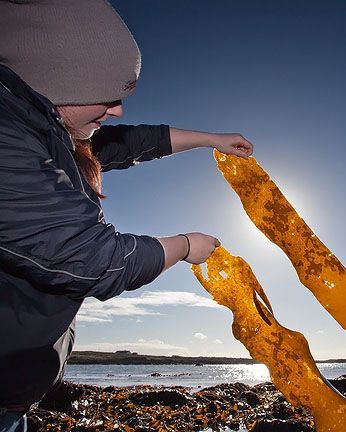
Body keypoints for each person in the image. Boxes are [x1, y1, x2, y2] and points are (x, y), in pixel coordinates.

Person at [0, 1, 252, 430]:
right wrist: (186, 246)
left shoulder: (42, 127)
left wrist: (211, 139)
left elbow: (126, 143)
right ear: (52, 84)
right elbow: (94, 259)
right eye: (106, 96)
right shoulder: (8, 146)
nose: (117, 110)